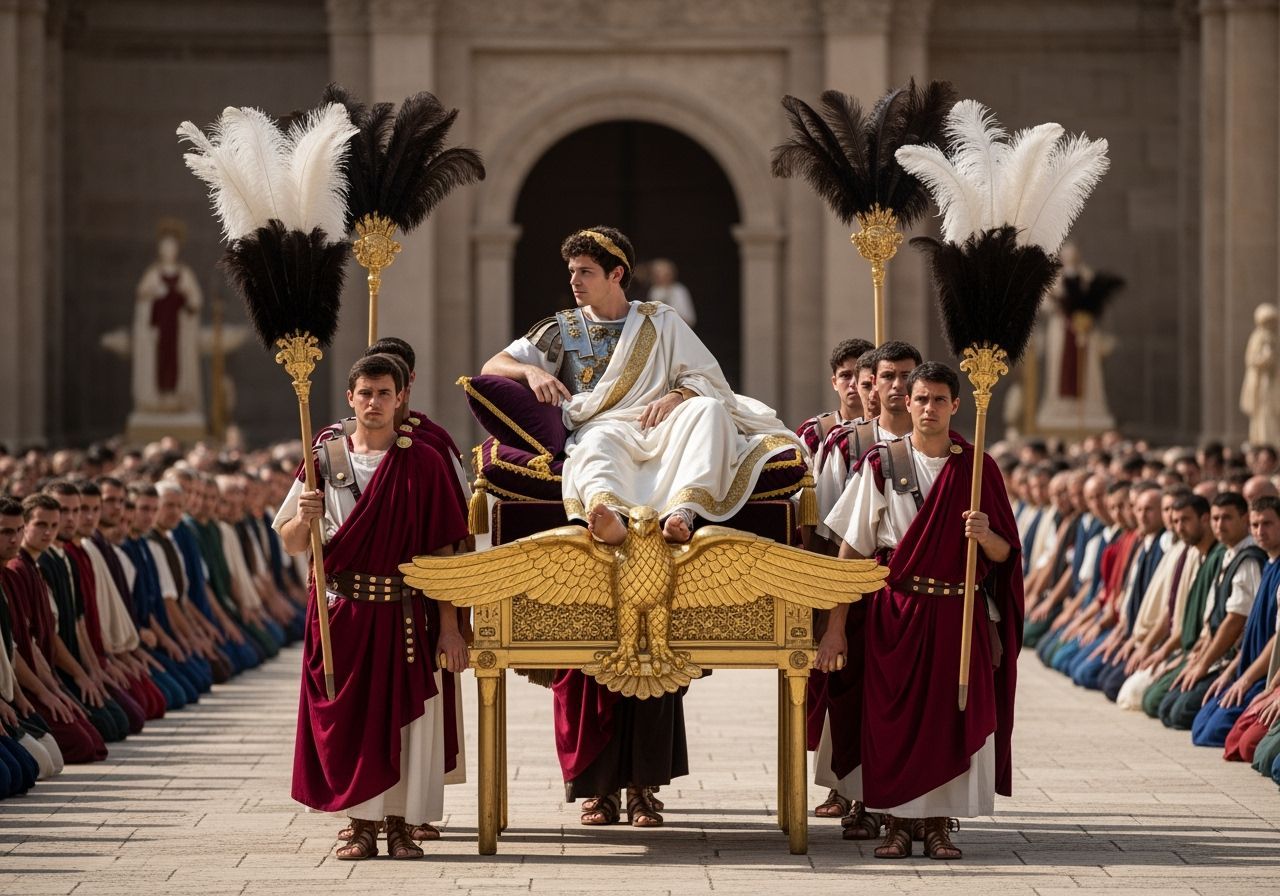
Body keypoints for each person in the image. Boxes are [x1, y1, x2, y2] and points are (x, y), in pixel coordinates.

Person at [482, 226, 800, 826]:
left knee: (708, 412)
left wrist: (678, 396)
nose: (574, 282)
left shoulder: (661, 321)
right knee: (594, 444)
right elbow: (494, 364)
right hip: (605, 425)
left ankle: (683, 511)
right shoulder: (560, 329)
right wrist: (531, 375)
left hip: (663, 425)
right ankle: (605, 515)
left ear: (616, 274)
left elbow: (710, 379)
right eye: (571, 272)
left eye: (585, 272)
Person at [816, 361, 1021, 859]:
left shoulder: (978, 468)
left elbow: (1006, 555)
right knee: (894, 721)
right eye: (921, 399)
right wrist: (835, 628)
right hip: (897, 613)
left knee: (947, 722)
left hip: (957, 613)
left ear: (956, 405)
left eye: (939, 400)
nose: (929, 408)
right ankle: (896, 825)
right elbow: (852, 550)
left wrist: (985, 535)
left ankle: (936, 827)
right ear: (907, 403)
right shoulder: (882, 464)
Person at [275, 353, 469, 860]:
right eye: (366, 393)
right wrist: (305, 518)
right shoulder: (323, 459)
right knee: (355, 725)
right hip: (343, 615)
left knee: (408, 725)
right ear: (351, 398)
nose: (375, 402)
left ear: (401, 397)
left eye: (385, 393)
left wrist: (450, 628)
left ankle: (401, 825)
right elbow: (291, 542)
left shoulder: (423, 461)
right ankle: (362, 824)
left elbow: (443, 551)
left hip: (406, 613)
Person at [809, 341, 921, 835]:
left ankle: (907, 801)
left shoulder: (935, 446)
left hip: (912, 593)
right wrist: (826, 612)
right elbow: (826, 529)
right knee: (851, 696)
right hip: (855, 588)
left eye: (901, 378)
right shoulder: (848, 445)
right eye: (877, 380)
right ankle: (854, 792)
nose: (883, 389)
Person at [1157, 492, 1264, 729]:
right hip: (1215, 655)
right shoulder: (1228, 555)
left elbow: (1235, 622)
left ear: (1244, 519)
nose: (1219, 525)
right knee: (1165, 708)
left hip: (1233, 661)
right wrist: (1197, 658)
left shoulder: (1249, 559)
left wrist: (1204, 665)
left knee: (1183, 714)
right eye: (1216, 518)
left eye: (1227, 518)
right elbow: (1212, 621)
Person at [1190, 495, 1280, 746]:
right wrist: (1231, 673)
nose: (1260, 531)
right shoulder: (1269, 564)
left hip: (1264, 675)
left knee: (1241, 743)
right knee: (1201, 726)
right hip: (1246, 668)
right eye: (1255, 525)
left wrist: (1249, 679)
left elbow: (1276, 638)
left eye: (1267, 524)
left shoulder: (1256, 561)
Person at [646, 258, 696, 327]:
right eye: (656, 273)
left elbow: (689, 319)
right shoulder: (654, 290)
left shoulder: (679, 290)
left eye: (662, 273)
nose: (659, 276)